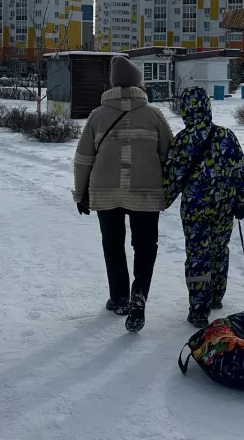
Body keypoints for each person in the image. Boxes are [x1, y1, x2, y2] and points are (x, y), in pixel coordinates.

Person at [73, 56, 173, 333]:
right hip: (145, 193)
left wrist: (80, 193)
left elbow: (83, 159)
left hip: (105, 193)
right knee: (145, 246)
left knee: (113, 245)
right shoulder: (154, 114)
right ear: (139, 83)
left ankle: (119, 298)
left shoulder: (97, 115)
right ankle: (139, 295)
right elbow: (168, 155)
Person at [163, 86, 244, 329]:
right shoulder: (226, 136)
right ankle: (216, 297)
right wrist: (242, 203)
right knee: (219, 250)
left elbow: (172, 177)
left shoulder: (182, 141)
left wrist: (162, 200)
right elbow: (239, 172)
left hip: (194, 211)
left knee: (197, 256)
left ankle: (198, 309)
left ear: (185, 110)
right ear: (207, 107)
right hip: (224, 208)